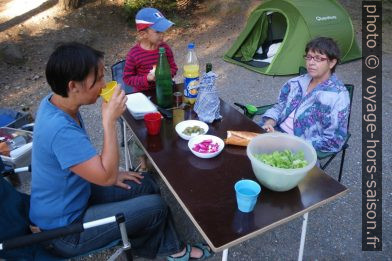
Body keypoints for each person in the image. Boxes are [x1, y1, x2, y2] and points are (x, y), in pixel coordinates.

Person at [29, 42, 211, 260]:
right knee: (156, 207)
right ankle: (176, 251)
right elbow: (104, 176)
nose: (104, 84)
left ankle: (145, 240)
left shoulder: (54, 103)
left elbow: (74, 158)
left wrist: (107, 173)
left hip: (77, 194)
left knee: (146, 184)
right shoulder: (59, 129)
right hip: (64, 231)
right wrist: (109, 121)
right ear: (73, 86)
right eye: (97, 79)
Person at [260, 37, 350, 153]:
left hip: (299, 147)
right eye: (309, 57)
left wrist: (288, 141)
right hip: (274, 131)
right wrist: (269, 122)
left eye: (318, 58)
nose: (311, 62)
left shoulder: (338, 97)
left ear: (332, 63)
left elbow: (334, 141)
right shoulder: (296, 83)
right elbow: (280, 106)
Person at [123, 7, 178, 171]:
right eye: (158, 31)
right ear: (143, 33)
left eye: (163, 31)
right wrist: (146, 78)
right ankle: (143, 161)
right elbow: (127, 78)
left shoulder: (165, 49)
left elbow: (174, 68)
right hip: (143, 97)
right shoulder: (134, 54)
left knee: (172, 120)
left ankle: (167, 149)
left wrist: (166, 74)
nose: (162, 35)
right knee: (143, 130)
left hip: (164, 93)